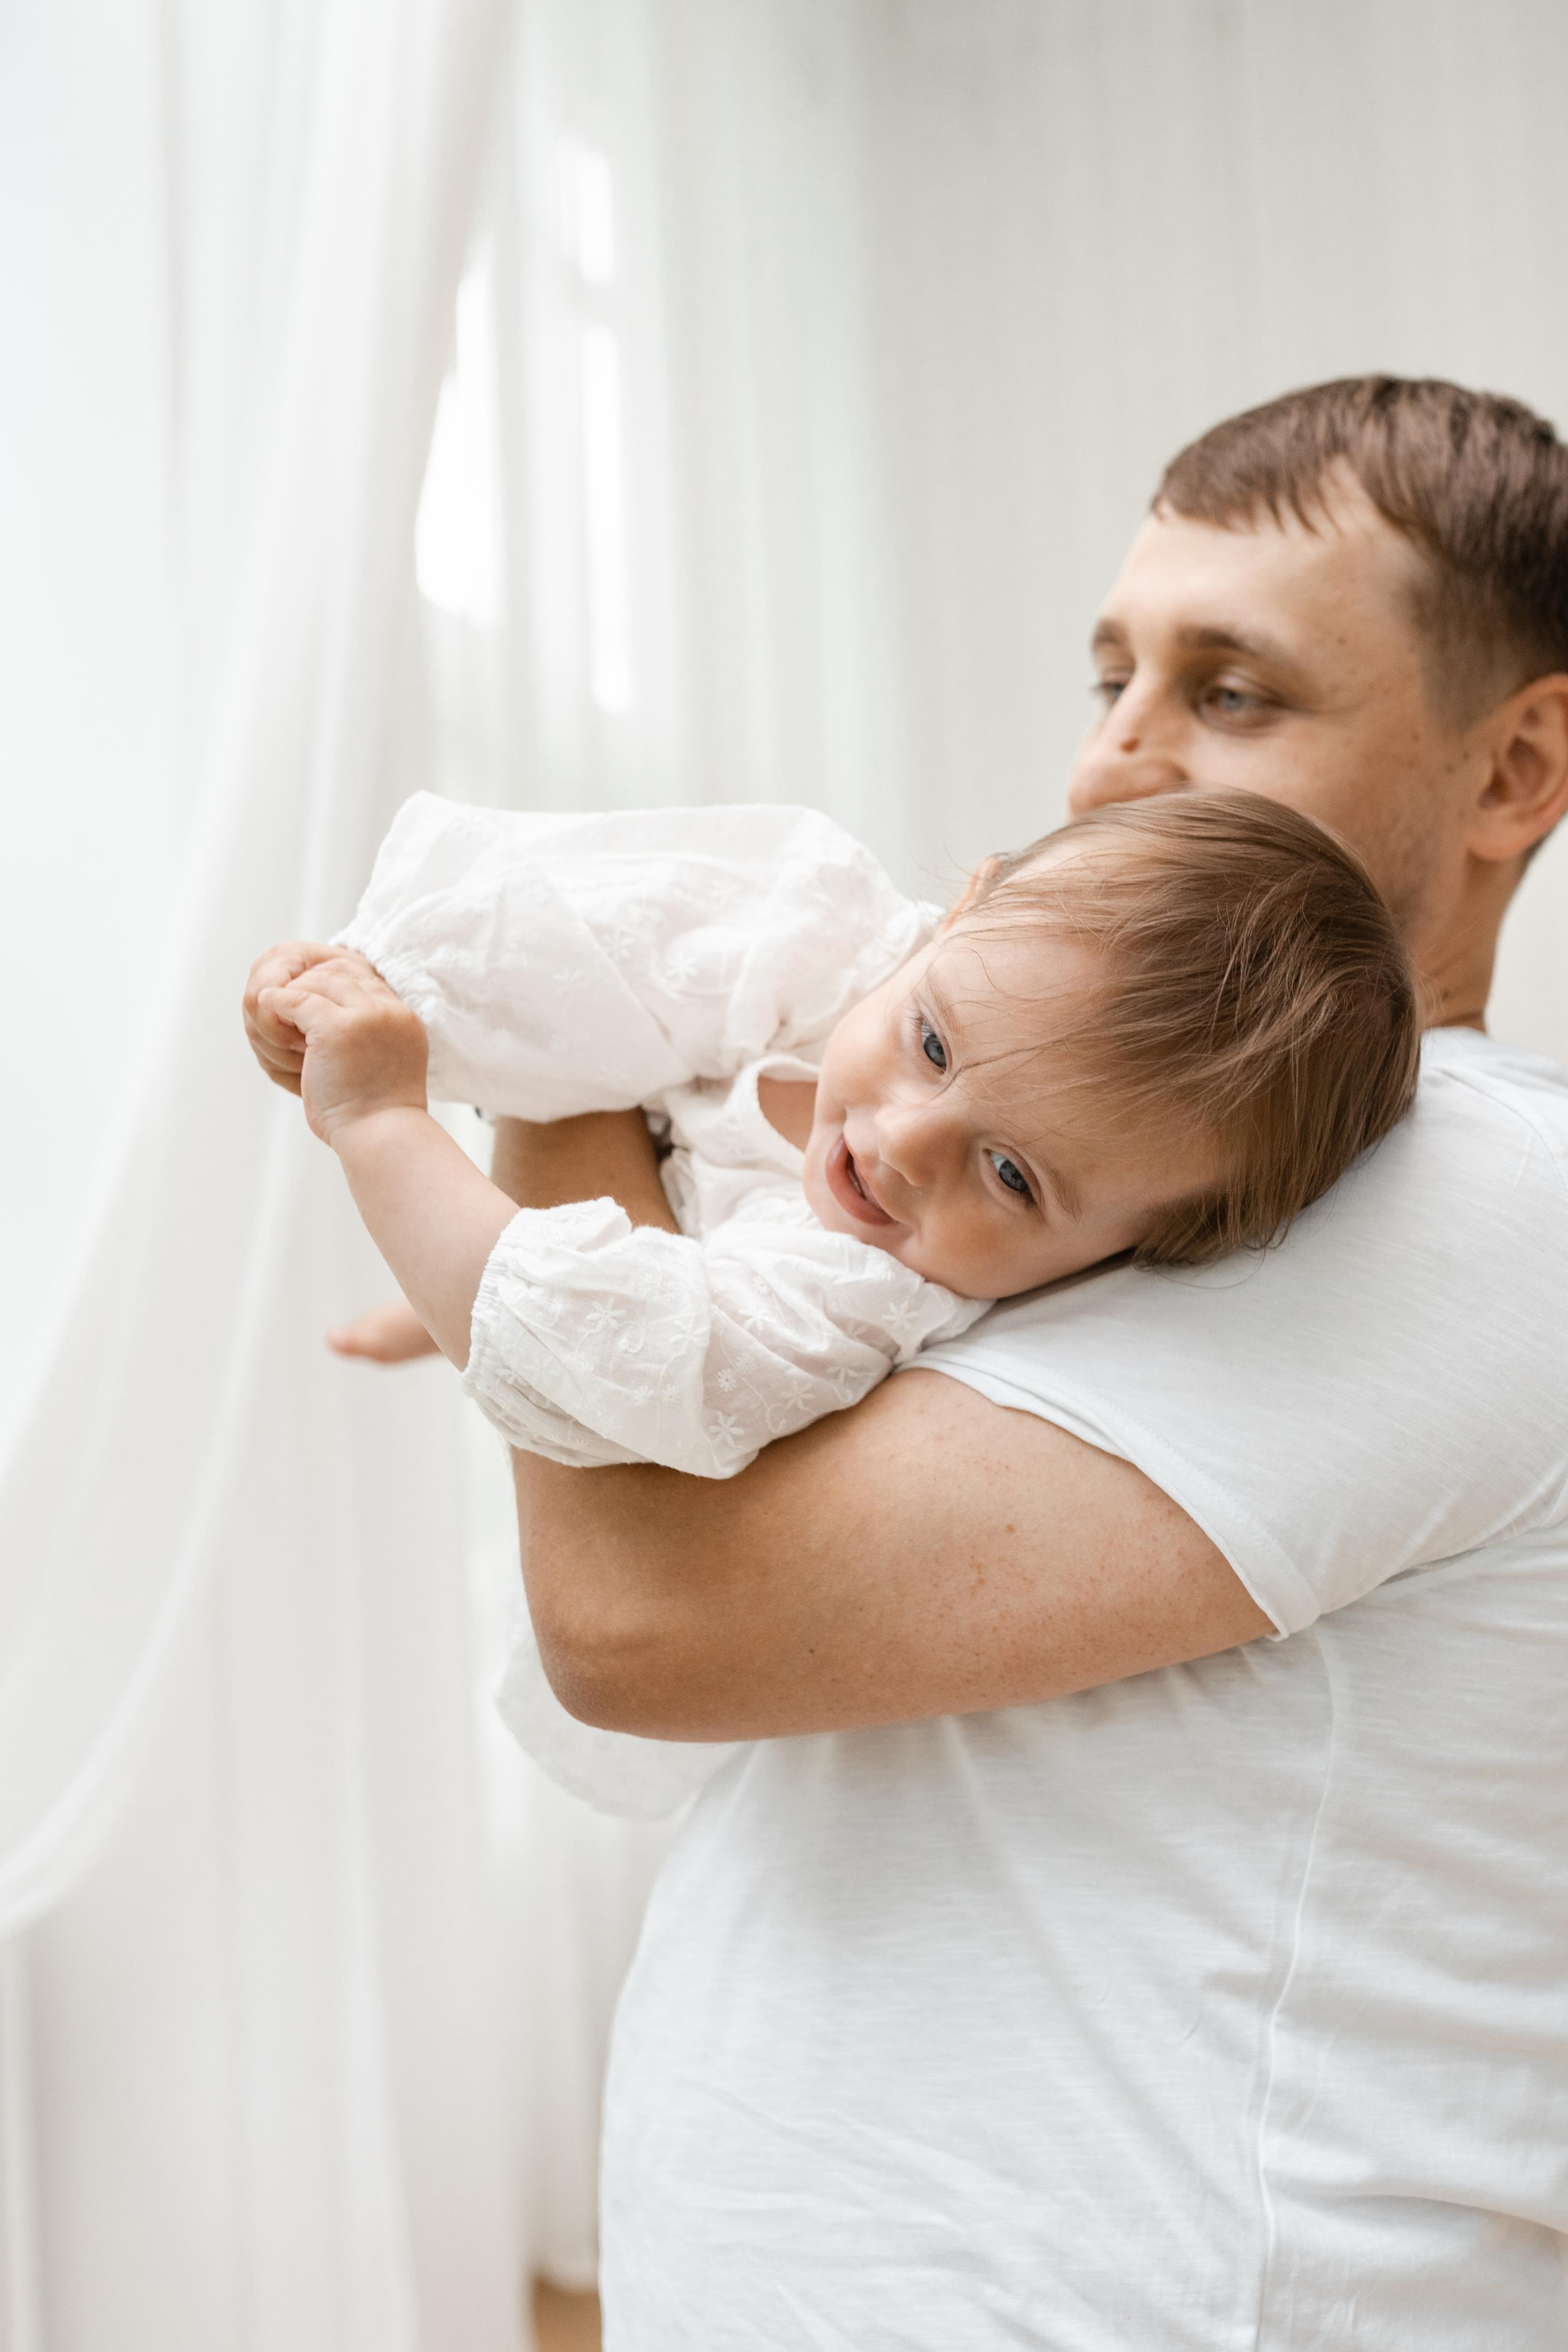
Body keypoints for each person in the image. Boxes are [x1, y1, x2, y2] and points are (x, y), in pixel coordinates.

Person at [252, 375, 1568, 2346]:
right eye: (1111, 673)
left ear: (1512, 769)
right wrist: (604, 1265)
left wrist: (571, 1066)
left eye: (1233, 694)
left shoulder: (1455, 1192)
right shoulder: (1148, 1200)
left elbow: (653, 1622)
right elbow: (788, 1394)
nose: (1117, 765)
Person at [247, 788, 1415, 1814]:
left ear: (1133, 1254)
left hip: (641, 1324)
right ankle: (459, 1296)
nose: (906, 1142)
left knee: (539, 1313)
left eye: (1013, 1177)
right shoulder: (849, 947)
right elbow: (610, 935)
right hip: (621, 1233)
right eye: (933, 1042)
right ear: (964, 908)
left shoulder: (853, 1293)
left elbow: (606, 1354)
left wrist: (382, 1118)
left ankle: (468, 1290)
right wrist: (381, 988)